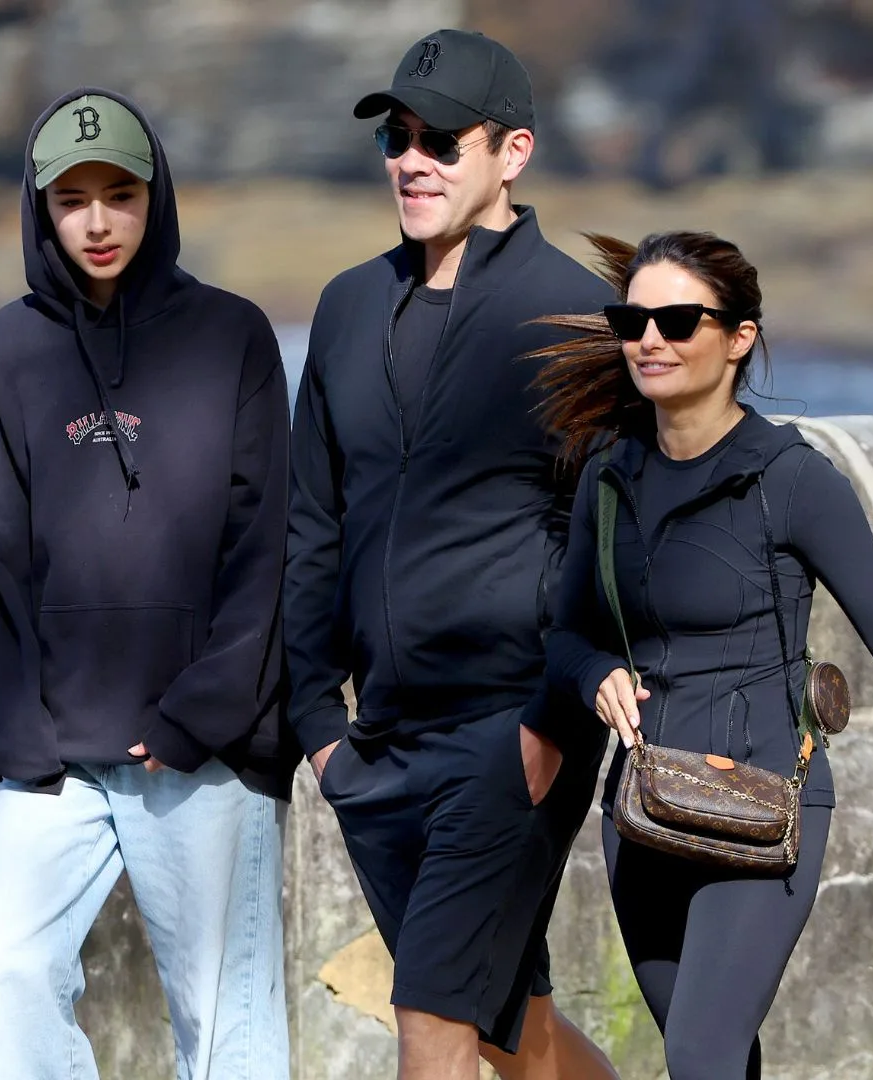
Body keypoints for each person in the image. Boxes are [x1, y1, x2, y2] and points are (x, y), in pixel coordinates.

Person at [535, 231, 873, 1080]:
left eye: (676, 320)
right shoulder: (609, 473)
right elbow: (566, 637)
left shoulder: (792, 480)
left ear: (738, 337)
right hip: (645, 810)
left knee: (701, 1059)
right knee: (714, 1057)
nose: (649, 340)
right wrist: (595, 675)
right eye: (633, 319)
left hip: (767, 808)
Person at [285, 28, 621, 1080]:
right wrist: (314, 722)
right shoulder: (346, 308)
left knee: (428, 1011)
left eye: (441, 140)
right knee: (508, 1025)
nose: (411, 159)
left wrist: (552, 725)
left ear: (512, 152)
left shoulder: (574, 317)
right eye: (396, 135)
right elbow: (311, 518)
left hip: (510, 731)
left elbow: (608, 540)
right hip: (376, 742)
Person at [0, 86, 296, 1080]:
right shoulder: (6, 353)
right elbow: (3, 561)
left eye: (120, 193)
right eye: (72, 199)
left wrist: (206, 710)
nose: (98, 222)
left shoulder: (231, 338)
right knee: (11, 969)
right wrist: (23, 735)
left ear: (157, 199)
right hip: (57, 752)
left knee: (222, 1020)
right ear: (41, 210)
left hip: (202, 746)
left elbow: (266, 545)